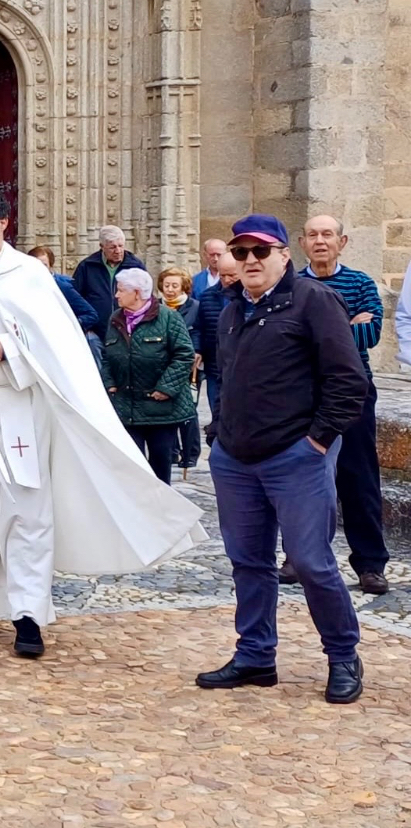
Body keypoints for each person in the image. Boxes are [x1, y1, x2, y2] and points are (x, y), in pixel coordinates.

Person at [0, 189, 205, 659]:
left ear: (3, 224)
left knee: (27, 512)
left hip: (20, 411)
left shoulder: (30, 276)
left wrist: (8, 348)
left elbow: (60, 344)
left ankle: (28, 613)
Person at [198, 214, 369, 704]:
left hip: (295, 458)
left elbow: (347, 381)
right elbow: (226, 378)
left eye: (261, 251)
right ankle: (255, 656)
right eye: (241, 252)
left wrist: (316, 442)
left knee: (312, 562)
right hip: (236, 459)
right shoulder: (231, 309)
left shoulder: (315, 302)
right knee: (248, 562)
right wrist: (219, 434)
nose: (250, 260)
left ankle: (342, 656)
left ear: (283, 255)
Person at [291, 215, 388, 594]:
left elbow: (372, 333)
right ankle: (298, 557)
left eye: (327, 234)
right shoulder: (294, 286)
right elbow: (291, 338)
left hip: (352, 390)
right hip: (304, 393)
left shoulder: (361, 282)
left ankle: (370, 564)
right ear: (302, 243)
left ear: (342, 242)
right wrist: (346, 325)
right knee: (301, 477)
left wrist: (322, 332)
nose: (320, 241)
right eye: (312, 235)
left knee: (359, 477)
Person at [100, 268, 196, 484]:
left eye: (121, 290)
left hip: (160, 407)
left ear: (136, 293)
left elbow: (184, 354)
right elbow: (107, 356)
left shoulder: (167, 317)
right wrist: (110, 383)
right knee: (131, 464)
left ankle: (162, 510)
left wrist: (165, 388)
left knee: (160, 462)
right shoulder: (116, 319)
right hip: (127, 405)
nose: (116, 295)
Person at [157, 266, 202, 476]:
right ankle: (172, 451)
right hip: (164, 366)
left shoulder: (194, 307)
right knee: (167, 410)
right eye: (167, 286)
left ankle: (190, 453)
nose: (170, 290)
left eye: (175, 285)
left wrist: (197, 350)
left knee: (188, 411)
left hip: (189, 366)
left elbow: (199, 331)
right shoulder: (157, 307)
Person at [70, 225, 147, 335]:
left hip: (127, 329)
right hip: (94, 330)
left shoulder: (135, 266)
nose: (118, 251)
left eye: (121, 246)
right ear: (102, 246)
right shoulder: (87, 266)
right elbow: (75, 297)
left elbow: (145, 296)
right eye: (112, 247)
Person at [199, 252, 240, 420]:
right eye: (223, 275)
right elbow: (200, 327)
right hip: (214, 366)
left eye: (232, 275)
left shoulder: (251, 299)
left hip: (240, 366)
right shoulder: (207, 297)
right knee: (217, 412)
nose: (228, 280)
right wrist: (198, 349)